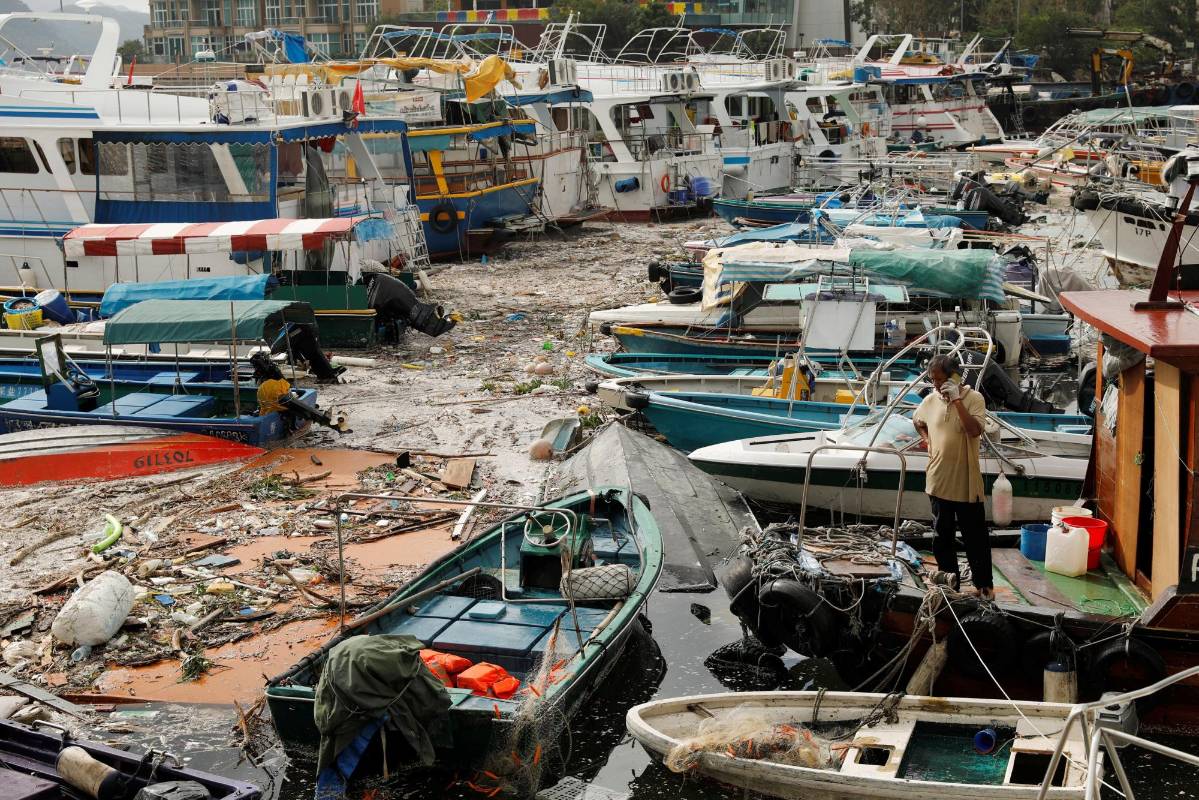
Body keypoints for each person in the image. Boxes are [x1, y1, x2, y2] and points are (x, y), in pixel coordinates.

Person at [913, 354, 994, 599]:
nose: (936, 384)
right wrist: (928, 441)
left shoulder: (974, 399)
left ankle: (984, 585)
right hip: (938, 481)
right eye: (932, 379)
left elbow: (974, 431)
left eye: (940, 379)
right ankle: (950, 584)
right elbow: (917, 420)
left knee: (975, 538)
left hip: (967, 485)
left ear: (954, 377)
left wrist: (957, 399)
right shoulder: (929, 401)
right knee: (941, 537)